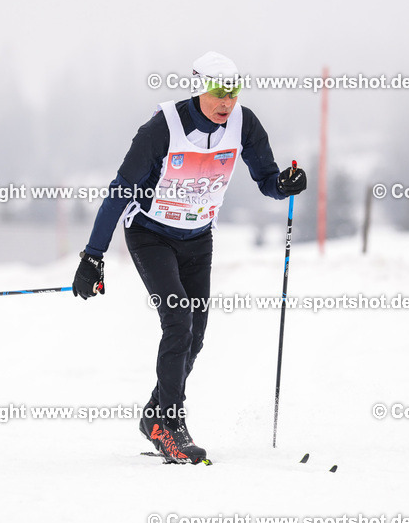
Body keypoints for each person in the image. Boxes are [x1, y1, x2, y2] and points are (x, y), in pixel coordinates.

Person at [72, 51, 307, 463]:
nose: (226, 102)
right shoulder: (162, 128)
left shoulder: (244, 124)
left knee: (195, 336)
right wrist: (93, 257)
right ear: (199, 86)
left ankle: (154, 415)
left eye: (233, 91)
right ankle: (171, 425)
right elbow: (119, 190)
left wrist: (285, 184)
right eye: (218, 92)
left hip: (198, 237)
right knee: (178, 320)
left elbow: (267, 181)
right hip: (150, 233)